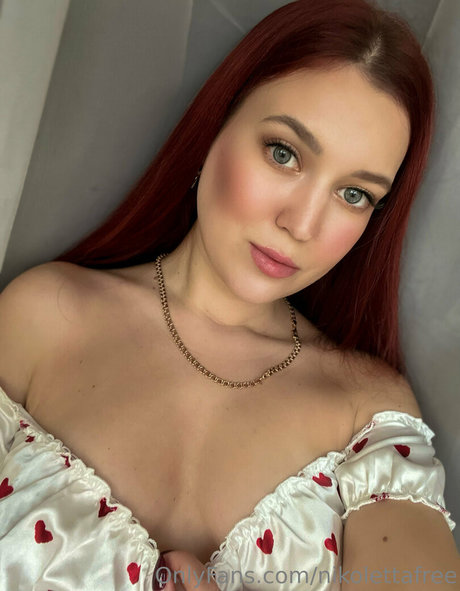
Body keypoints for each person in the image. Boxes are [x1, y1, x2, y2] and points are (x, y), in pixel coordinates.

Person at [0, 0, 459, 589]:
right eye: (284, 153)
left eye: (354, 195)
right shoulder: (43, 318)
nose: (301, 224)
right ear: (214, 128)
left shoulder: (368, 414)